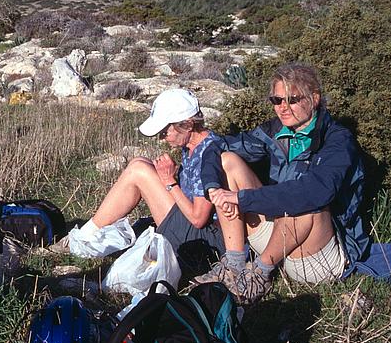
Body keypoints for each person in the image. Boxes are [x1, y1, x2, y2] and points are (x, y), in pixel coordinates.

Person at [193, 62, 370, 304]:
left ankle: (259, 275)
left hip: (318, 255)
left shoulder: (337, 141)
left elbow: (316, 192)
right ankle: (234, 264)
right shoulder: (273, 131)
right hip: (280, 237)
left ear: (314, 98)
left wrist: (242, 198)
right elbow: (217, 145)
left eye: (292, 100)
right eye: (277, 100)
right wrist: (213, 187)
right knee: (228, 161)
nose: (283, 108)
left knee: (304, 198)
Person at [74, 88, 225, 264]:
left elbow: (198, 219)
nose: (162, 139)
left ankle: (83, 237)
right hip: (195, 231)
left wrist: (170, 182)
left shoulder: (207, 155)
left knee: (139, 170)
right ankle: (87, 233)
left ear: (188, 125)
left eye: (164, 132)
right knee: (139, 162)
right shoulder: (194, 146)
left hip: (204, 242)